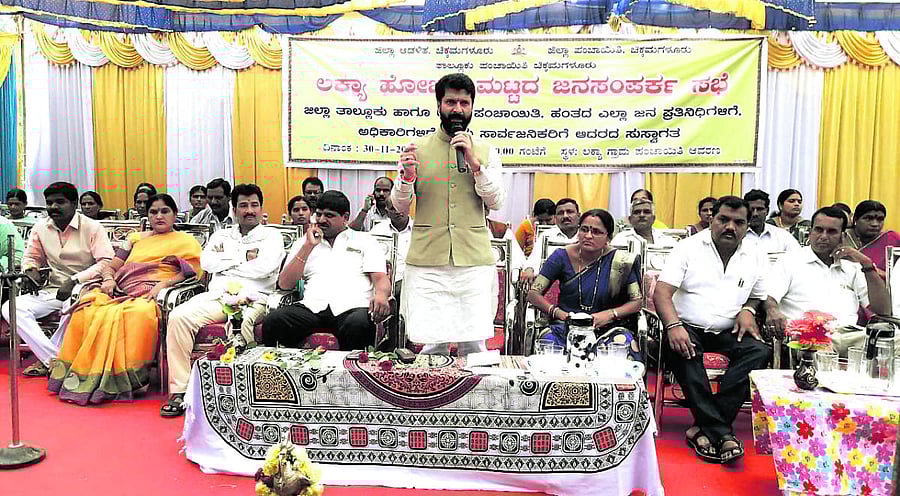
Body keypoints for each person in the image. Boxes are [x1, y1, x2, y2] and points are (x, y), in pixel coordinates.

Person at [48, 194, 202, 405]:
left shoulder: (186, 241)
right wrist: (109, 279)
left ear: (175, 215)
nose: (159, 216)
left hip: (153, 293)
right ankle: (86, 376)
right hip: (123, 289)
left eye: (164, 211)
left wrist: (163, 285)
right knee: (87, 308)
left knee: (137, 314)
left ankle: (129, 379)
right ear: (147, 216)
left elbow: (191, 270)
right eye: (153, 212)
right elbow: (112, 266)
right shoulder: (135, 239)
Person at [391, 72, 506, 356]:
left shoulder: (486, 152)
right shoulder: (416, 150)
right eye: (450, 102)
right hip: (428, 261)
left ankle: (475, 400)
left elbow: (497, 201)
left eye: (464, 103)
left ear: (471, 107)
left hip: (473, 262)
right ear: (439, 105)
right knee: (433, 344)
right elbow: (400, 207)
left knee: (474, 345)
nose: (457, 109)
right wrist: (406, 178)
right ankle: (430, 399)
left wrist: (476, 165)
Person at [653, 196, 770, 464]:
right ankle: (722, 433)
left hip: (729, 329)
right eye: (723, 220)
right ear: (711, 219)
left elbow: (757, 296)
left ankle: (704, 429)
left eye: (738, 222)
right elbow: (662, 292)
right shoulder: (688, 248)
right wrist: (673, 326)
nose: (731, 227)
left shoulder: (755, 254)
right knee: (684, 350)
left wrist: (748, 310)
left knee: (758, 351)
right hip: (687, 327)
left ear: (746, 225)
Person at [162, 184, 284, 417]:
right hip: (217, 297)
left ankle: (247, 394)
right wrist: (244, 257)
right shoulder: (221, 235)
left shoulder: (272, 236)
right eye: (244, 205)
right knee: (178, 316)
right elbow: (207, 263)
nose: (250, 210)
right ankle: (180, 390)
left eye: (254, 205)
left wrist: (226, 260)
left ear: (261, 208)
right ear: (234, 209)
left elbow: (265, 268)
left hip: (254, 298)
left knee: (244, 323)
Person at [1, 182, 114, 377]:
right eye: (49, 203)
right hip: (52, 289)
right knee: (10, 307)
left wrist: (75, 280)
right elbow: (31, 257)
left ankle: (50, 361)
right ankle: (55, 360)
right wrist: (31, 269)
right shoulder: (41, 227)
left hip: (86, 289)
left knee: (72, 306)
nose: (53, 207)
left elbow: (107, 262)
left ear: (74, 203)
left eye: (60, 202)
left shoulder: (92, 227)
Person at [262, 190, 391, 351]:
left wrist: (381, 295)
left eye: (329, 215)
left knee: (359, 324)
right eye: (319, 214)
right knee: (274, 320)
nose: (322, 220)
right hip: (313, 309)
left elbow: (380, 277)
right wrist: (308, 247)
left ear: (345, 217)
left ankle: (350, 374)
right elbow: (285, 284)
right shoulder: (304, 243)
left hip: (352, 309)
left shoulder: (365, 241)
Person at [764, 206, 892, 356]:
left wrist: (866, 264)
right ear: (810, 232)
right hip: (808, 338)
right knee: (820, 351)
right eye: (818, 230)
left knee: (895, 343)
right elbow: (769, 297)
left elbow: (883, 310)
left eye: (831, 232)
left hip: (850, 337)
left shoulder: (852, 267)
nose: (823, 236)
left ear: (842, 236)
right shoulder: (790, 261)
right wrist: (772, 310)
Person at [527, 209, 643, 361]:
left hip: (607, 328)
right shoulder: (561, 256)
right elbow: (533, 294)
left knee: (622, 348)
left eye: (596, 232)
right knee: (549, 349)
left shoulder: (621, 262)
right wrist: (560, 314)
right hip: (565, 328)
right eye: (584, 229)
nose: (588, 236)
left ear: (608, 236)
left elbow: (637, 302)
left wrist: (609, 315)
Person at [520, 198, 581, 285]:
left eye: (569, 212)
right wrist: (529, 269)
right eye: (560, 213)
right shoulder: (546, 235)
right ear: (555, 218)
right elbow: (534, 259)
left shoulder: (587, 235)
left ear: (578, 215)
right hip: (550, 285)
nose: (565, 216)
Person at [843, 200, 900, 280]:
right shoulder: (841, 238)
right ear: (855, 219)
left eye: (880, 219)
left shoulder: (892, 239)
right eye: (869, 218)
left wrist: (875, 271)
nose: (875, 224)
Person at [370, 196, 413, 287]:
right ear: (387, 211)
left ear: (408, 207)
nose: (397, 212)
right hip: (383, 284)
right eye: (393, 208)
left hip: (412, 284)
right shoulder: (377, 230)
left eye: (401, 207)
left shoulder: (418, 231)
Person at [611, 199, 677, 248]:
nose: (642, 215)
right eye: (637, 212)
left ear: (653, 218)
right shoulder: (620, 239)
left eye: (646, 212)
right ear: (630, 219)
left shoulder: (668, 240)